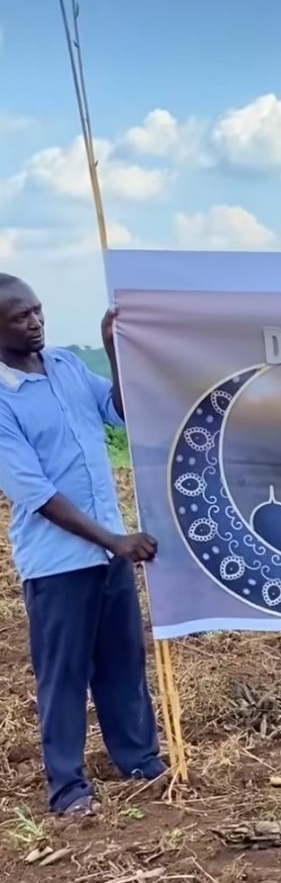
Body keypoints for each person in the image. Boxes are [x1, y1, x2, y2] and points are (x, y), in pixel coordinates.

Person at [0, 274, 164, 816]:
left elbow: (119, 411)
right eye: (21, 316)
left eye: (38, 311)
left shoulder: (69, 365)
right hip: (57, 564)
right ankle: (67, 787)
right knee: (64, 674)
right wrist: (115, 540)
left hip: (107, 554)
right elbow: (36, 494)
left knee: (123, 662)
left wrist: (115, 350)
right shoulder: (2, 397)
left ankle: (139, 762)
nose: (36, 322)